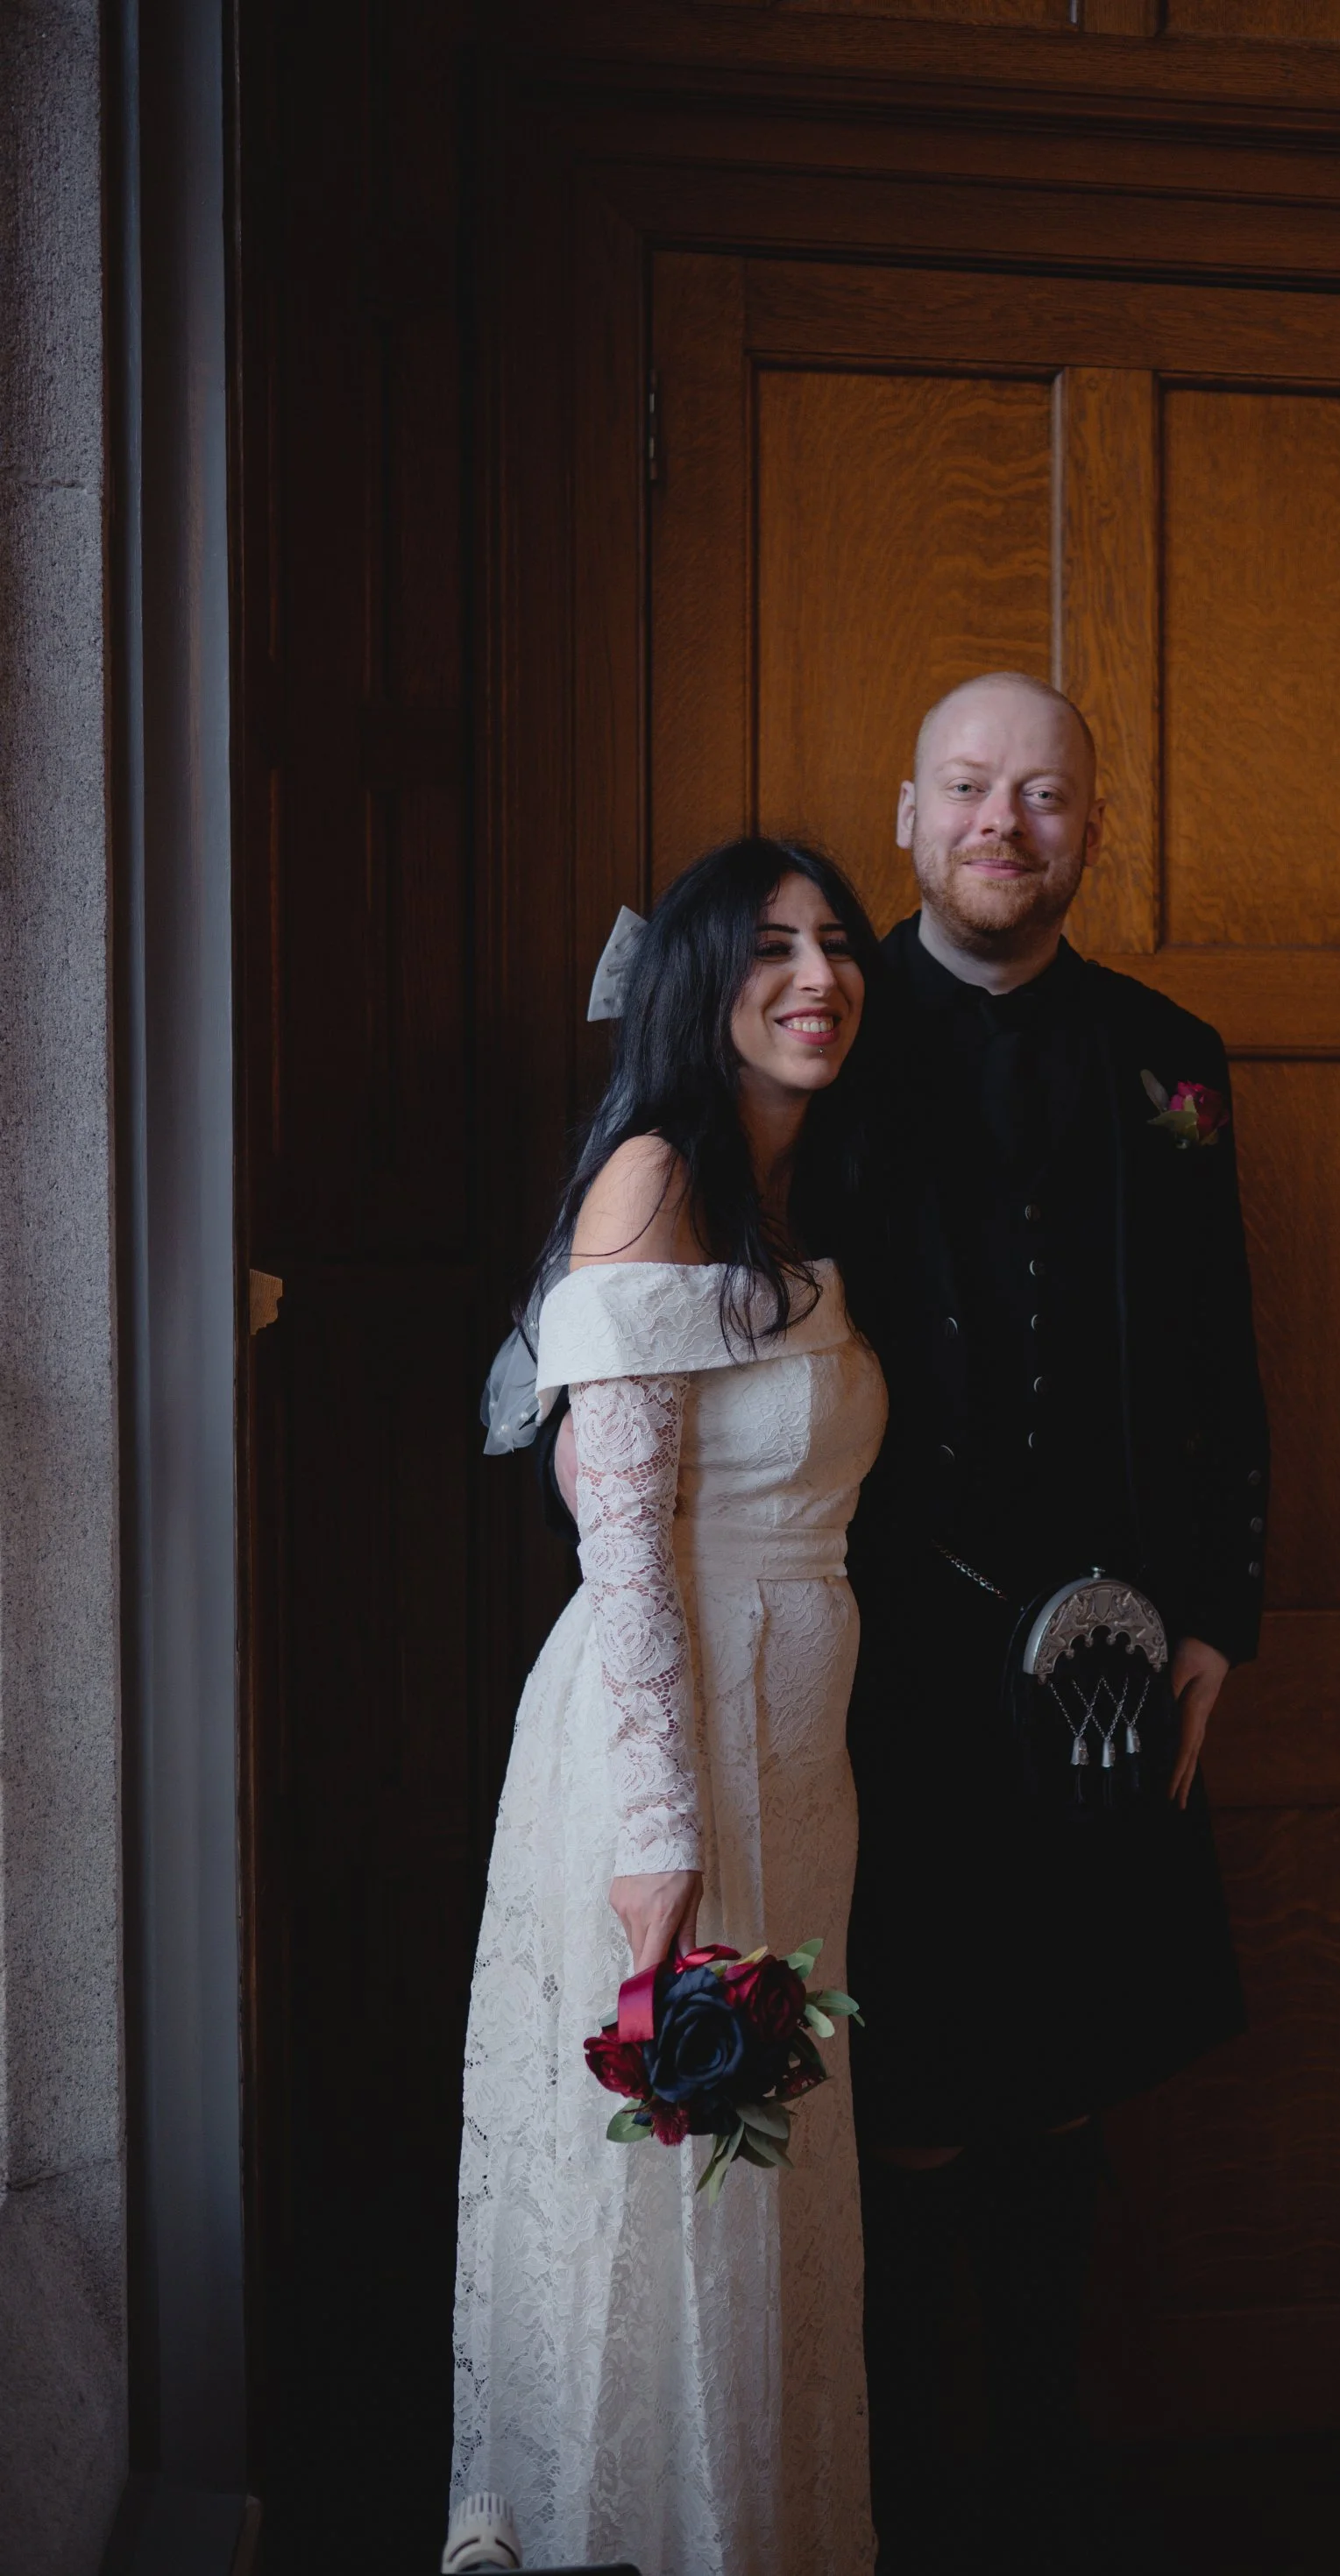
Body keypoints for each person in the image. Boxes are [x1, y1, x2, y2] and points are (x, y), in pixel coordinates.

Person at [840, 672, 1267, 2572]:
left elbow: (1218, 1366)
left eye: (1043, 795)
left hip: (1105, 1653)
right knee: (902, 2085)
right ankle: (896, 2495)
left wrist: (1219, 1618)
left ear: (1089, 828)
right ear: (909, 820)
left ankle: (1037, 2486)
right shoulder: (806, 1029)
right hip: (869, 1667)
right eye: (967, 788)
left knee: (1069, 2067)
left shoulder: (1172, 1059)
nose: (1004, 822)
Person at [448, 839, 887, 2576]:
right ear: (697, 988)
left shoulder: (799, 1194)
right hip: (664, 1750)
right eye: (770, 948)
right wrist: (657, 1845)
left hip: (798, 1758)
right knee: (658, 2202)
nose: (817, 977)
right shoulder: (651, 1180)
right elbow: (623, 1550)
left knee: (763, 2193)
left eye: (839, 945)